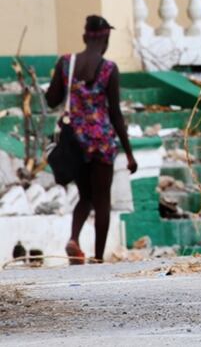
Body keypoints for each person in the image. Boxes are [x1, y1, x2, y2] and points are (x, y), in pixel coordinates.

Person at [46, 15, 137, 264]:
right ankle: (97, 256)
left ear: (85, 37)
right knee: (102, 198)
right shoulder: (109, 69)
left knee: (84, 195)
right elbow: (115, 114)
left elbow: (51, 100)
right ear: (106, 39)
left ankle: (74, 239)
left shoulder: (66, 63)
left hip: (75, 140)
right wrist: (129, 153)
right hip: (102, 142)